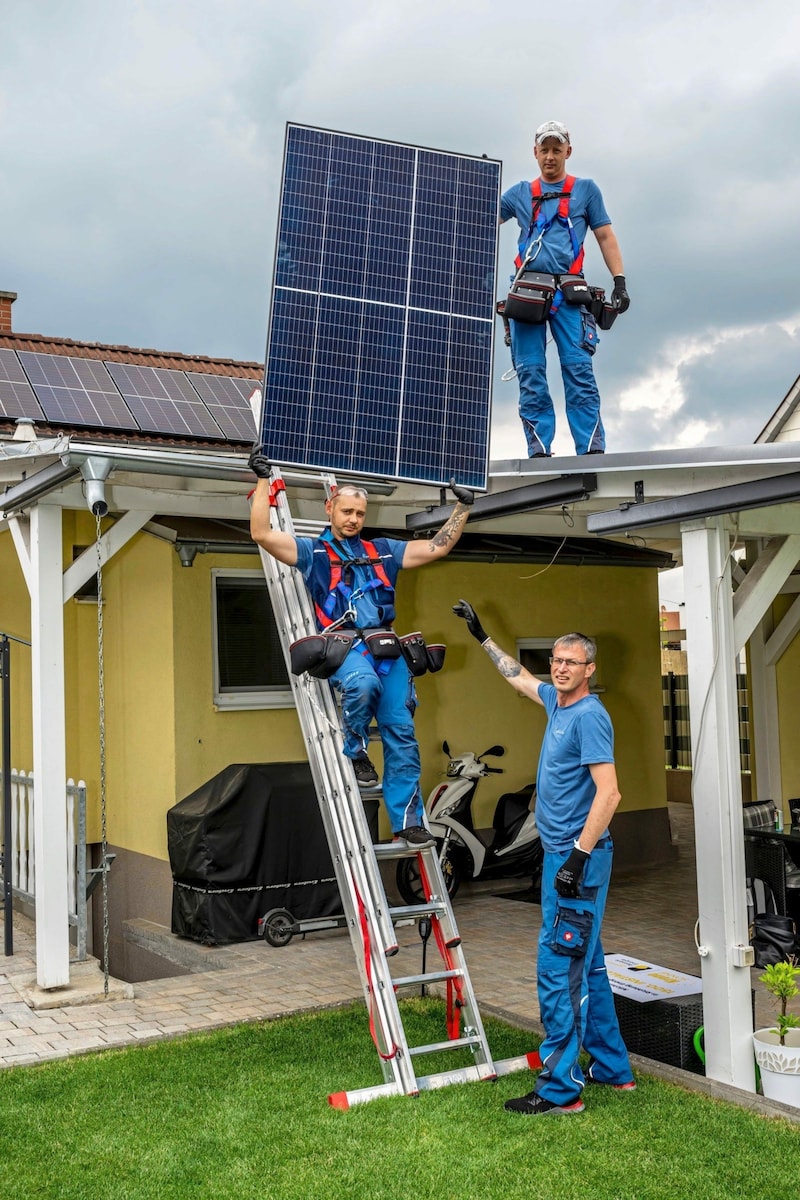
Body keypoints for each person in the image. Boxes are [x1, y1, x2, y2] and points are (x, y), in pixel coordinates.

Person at [453, 600, 634, 1114]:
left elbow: (610, 793)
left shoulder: (590, 717)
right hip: (568, 856)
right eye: (556, 659)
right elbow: (519, 679)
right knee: (589, 965)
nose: (559, 667)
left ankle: (560, 1090)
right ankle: (613, 1069)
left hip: (577, 858)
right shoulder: (558, 702)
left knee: (558, 969)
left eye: (570, 662)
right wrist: (483, 636)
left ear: (589, 670)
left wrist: (575, 860)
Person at [249, 451, 474, 846]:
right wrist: (264, 482)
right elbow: (263, 535)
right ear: (330, 509)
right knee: (362, 685)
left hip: (386, 648)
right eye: (347, 511)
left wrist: (463, 506)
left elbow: (437, 547)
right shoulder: (314, 553)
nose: (353, 519)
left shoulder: (384, 550)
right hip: (345, 646)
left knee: (403, 734)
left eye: (359, 513)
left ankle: (408, 821)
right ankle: (355, 750)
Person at [500, 120, 630, 458]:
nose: (550, 156)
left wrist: (620, 281)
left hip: (569, 295)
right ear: (535, 153)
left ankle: (589, 452)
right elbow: (472, 220)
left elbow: (604, 235)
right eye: (544, 149)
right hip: (528, 294)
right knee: (530, 372)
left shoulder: (586, 190)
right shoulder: (518, 194)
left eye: (557, 149)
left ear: (568, 152)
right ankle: (539, 451)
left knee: (578, 370)